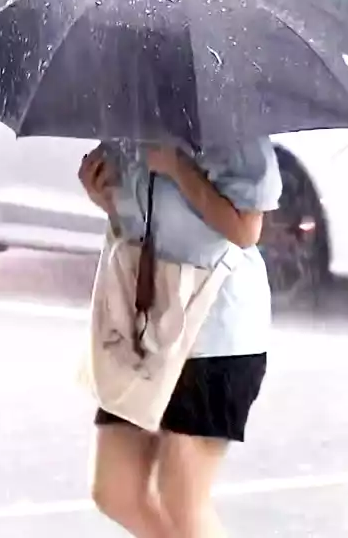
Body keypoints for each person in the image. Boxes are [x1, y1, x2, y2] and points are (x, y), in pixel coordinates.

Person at [78, 137, 281, 538]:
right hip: (149, 323)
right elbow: (144, 226)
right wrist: (104, 198)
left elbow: (246, 230)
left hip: (217, 331)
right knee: (115, 489)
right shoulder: (128, 119)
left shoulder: (231, 126)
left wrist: (178, 168)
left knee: (180, 497)